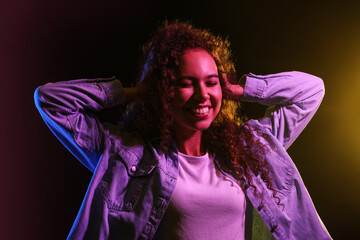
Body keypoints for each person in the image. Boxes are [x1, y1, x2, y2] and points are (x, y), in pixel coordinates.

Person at [34, 20, 332, 240]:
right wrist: (135, 91)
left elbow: (310, 91)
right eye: (186, 83)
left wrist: (241, 89)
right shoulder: (127, 156)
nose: (203, 94)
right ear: (164, 90)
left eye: (211, 82)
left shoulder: (249, 150)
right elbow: (50, 99)